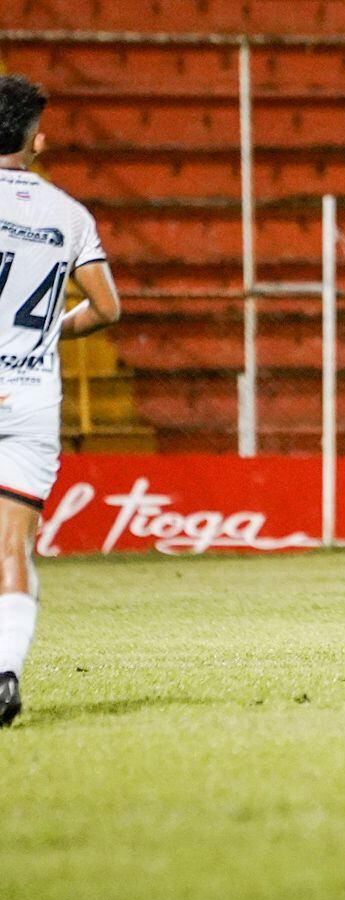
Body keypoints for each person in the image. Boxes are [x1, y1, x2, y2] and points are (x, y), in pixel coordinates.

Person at [0, 76, 121, 727]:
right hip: (29, 394)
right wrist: (51, 329)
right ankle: (4, 671)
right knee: (10, 548)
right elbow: (107, 308)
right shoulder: (68, 214)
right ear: (35, 138)